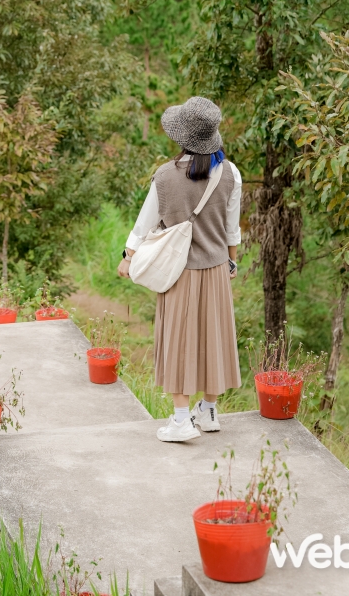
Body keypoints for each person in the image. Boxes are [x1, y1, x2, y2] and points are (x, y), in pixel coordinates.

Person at [118, 96, 242, 442]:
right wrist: (231, 260)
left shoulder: (165, 177)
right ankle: (210, 412)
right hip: (216, 270)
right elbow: (232, 230)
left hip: (178, 274)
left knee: (178, 342)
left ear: (182, 137)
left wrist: (127, 258)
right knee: (213, 339)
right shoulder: (231, 174)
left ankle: (180, 419)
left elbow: (143, 227)